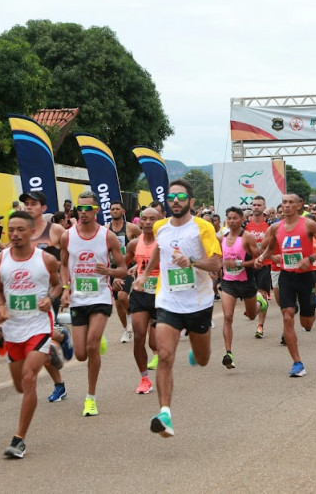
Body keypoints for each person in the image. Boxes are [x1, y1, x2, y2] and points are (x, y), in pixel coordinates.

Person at [132, 179, 221, 437]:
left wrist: (191, 261)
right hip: (168, 300)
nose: (176, 201)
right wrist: (145, 274)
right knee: (165, 354)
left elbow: (216, 265)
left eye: (181, 197)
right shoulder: (160, 227)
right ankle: (165, 414)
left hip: (198, 302)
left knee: (203, 359)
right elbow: (159, 251)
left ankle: (197, 346)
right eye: (172, 198)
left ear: (191, 202)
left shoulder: (202, 228)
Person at [0, 211, 62, 458]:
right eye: (12, 229)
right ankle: (52, 351)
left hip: (38, 326)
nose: (15, 234)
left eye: (21, 229)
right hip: (13, 329)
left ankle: (19, 439)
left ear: (32, 232)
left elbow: (57, 284)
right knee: (20, 385)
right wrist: (0, 306)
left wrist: (49, 298)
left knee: (30, 379)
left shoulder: (46, 260)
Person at [60, 190, 127, 417]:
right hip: (78, 298)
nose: (83, 212)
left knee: (91, 346)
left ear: (96, 210)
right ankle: (94, 339)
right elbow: (62, 265)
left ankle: (90, 398)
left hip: (100, 296)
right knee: (80, 354)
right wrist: (66, 289)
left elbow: (123, 269)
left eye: (88, 208)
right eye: (80, 208)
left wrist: (109, 272)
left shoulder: (107, 236)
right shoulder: (67, 236)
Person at [257, 193, 316, 377]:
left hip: (306, 277)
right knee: (287, 316)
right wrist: (262, 257)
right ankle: (297, 363)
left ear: (299, 205)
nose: (287, 205)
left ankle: (311, 304)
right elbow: (271, 247)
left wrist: (311, 258)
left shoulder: (308, 224)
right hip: (286, 276)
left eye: (291, 202)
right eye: (284, 202)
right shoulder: (275, 227)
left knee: (307, 322)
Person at [20, 190, 72, 403]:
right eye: (26, 204)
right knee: (37, 342)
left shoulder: (56, 230)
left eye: (33, 203)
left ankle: (57, 338)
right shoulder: (20, 230)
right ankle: (60, 337)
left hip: (50, 291)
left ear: (43, 207)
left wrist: (66, 287)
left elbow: (69, 260)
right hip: (24, 292)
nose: (28, 207)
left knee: (38, 342)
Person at [123, 207, 161, 394]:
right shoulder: (134, 244)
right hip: (140, 292)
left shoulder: (165, 243)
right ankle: (144, 378)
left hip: (161, 295)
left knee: (156, 342)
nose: (147, 222)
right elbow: (124, 262)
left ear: (160, 220)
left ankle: (164, 371)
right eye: (144, 219)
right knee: (139, 337)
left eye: (152, 219)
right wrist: (124, 272)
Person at [219, 207, 261, 369]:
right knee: (228, 317)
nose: (231, 221)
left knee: (251, 316)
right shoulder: (222, 238)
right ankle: (228, 353)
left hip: (247, 282)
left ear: (242, 219)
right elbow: (219, 259)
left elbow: (259, 260)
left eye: (235, 218)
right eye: (229, 218)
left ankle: (259, 304)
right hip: (228, 283)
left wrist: (240, 264)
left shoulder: (247, 238)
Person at [106, 201, 140, 343]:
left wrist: (139, 262)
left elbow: (143, 241)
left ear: (123, 211)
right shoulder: (105, 229)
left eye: (117, 209)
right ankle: (126, 329)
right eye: (112, 209)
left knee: (122, 296)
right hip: (112, 268)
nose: (114, 211)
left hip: (126, 266)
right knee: (118, 303)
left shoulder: (131, 228)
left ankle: (131, 315)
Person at [244, 196, 272, 338]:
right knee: (250, 295)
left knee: (263, 294)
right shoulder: (245, 225)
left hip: (264, 264)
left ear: (264, 207)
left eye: (259, 205)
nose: (256, 207)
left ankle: (260, 326)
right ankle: (252, 309)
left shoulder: (270, 225)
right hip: (248, 265)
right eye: (254, 205)